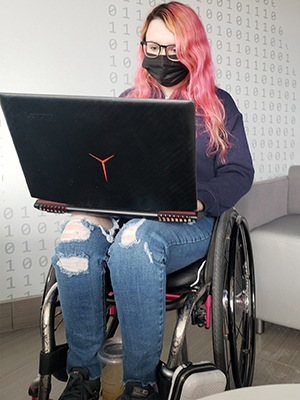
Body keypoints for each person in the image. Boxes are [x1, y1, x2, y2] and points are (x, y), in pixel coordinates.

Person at [54, 2, 254, 400]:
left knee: (134, 244)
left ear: (192, 50)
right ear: (142, 46)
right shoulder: (129, 100)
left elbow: (240, 173)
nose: (162, 58)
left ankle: (140, 383)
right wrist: (86, 196)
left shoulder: (219, 106)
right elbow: (108, 168)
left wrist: (199, 200)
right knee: (74, 235)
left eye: (173, 48)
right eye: (153, 46)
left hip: (188, 224)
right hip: (127, 215)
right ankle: (84, 375)